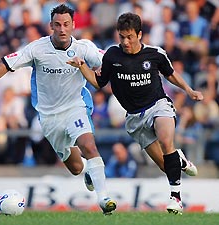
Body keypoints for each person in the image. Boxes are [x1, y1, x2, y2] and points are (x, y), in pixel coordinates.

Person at [0, 4, 116, 215]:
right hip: (48, 116)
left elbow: (109, 61)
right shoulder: (37, 49)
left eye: (66, 24)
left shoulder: (85, 48)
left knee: (89, 145)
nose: (62, 29)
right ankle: (87, 170)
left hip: (76, 106)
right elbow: (6, 63)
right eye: (57, 25)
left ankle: (104, 199)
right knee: (75, 167)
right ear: (50, 26)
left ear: (74, 25)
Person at [67, 12, 204, 215]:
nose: (125, 41)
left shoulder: (155, 54)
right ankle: (180, 160)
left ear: (139, 34)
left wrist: (189, 90)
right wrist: (82, 67)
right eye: (121, 36)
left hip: (159, 106)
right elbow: (98, 83)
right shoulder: (112, 56)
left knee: (166, 142)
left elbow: (171, 74)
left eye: (129, 36)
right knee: (166, 165)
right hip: (134, 118)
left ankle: (176, 198)